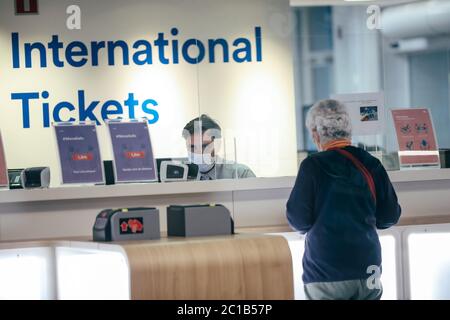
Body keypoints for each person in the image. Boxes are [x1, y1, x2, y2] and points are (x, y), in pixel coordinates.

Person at [286, 99, 401, 300]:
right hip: (368, 269)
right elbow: (389, 216)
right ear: (349, 131)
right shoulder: (371, 163)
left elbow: (298, 221)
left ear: (315, 133)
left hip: (325, 271)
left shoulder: (312, 166)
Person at [182, 114, 256, 180]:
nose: (198, 152)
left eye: (204, 146)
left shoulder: (241, 174)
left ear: (217, 145)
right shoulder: (182, 177)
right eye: (192, 147)